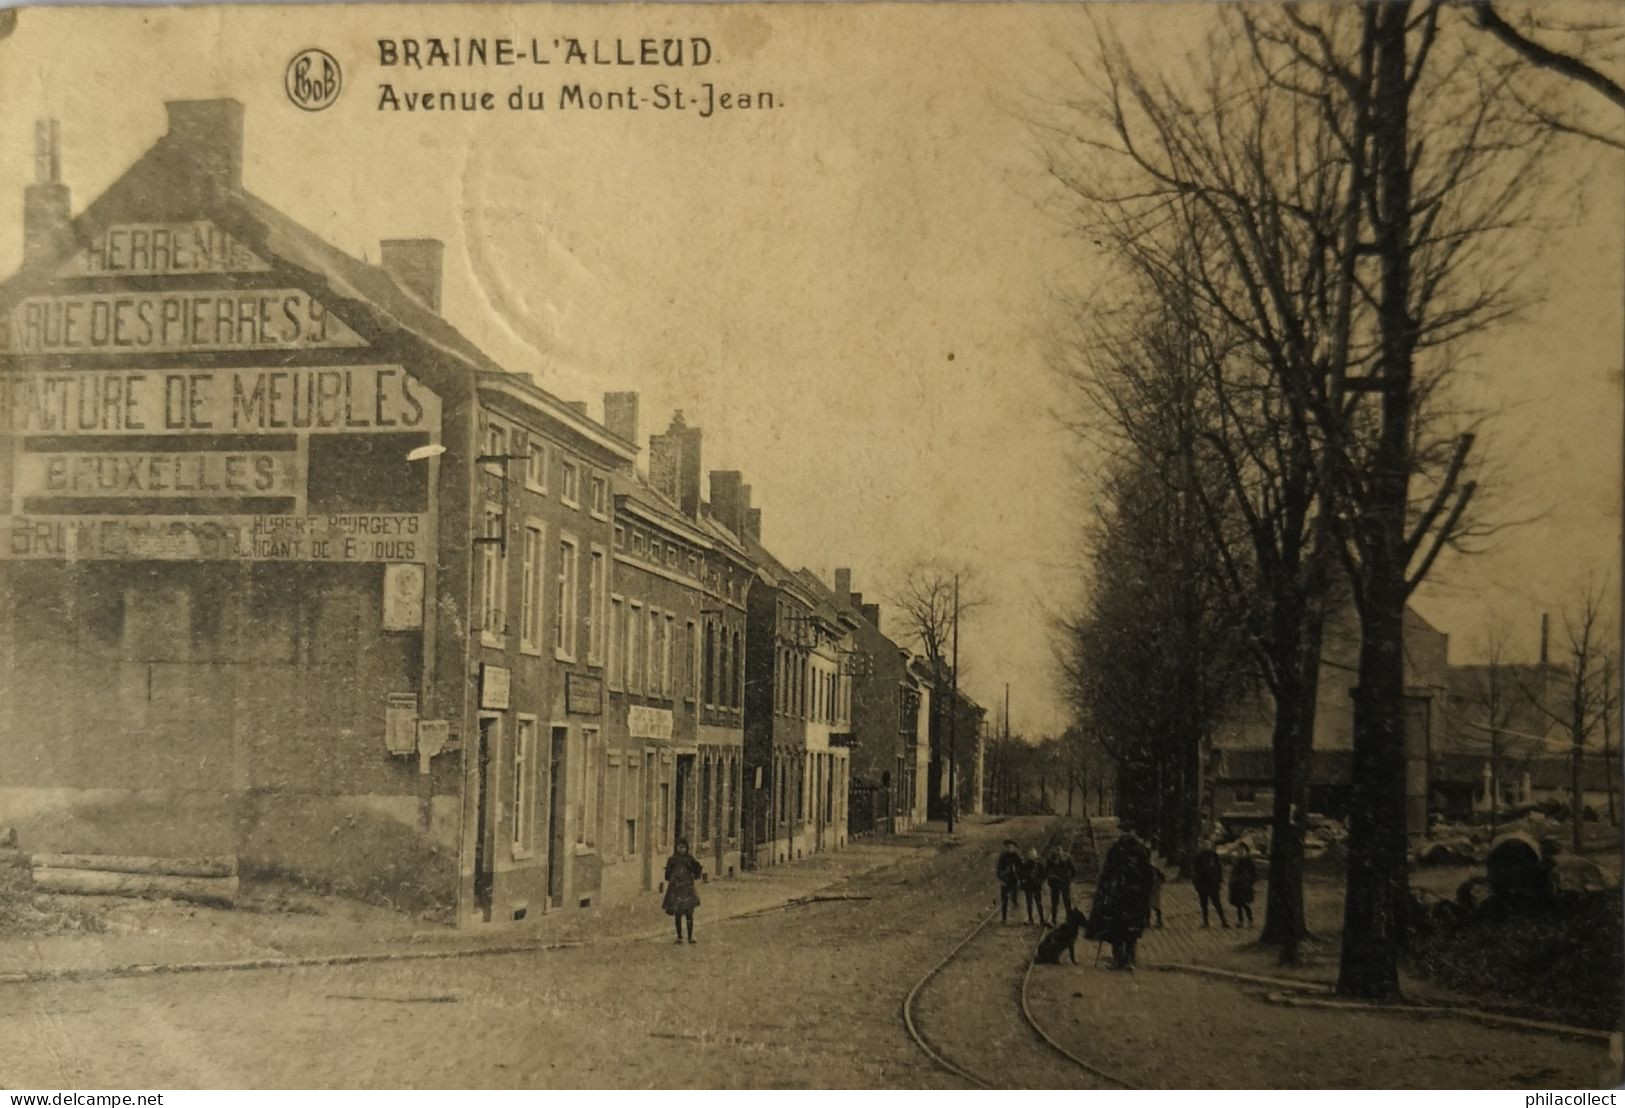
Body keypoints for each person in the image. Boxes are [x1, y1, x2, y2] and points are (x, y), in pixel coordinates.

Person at [1086, 830, 1154, 970]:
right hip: (1134, 899)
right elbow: (1148, 878)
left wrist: (1104, 898)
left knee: (1117, 930)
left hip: (1119, 899)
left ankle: (1122, 960)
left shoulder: (1116, 852)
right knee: (1131, 931)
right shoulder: (1141, 853)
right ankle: (1129, 959)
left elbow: (1107, 877)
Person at [663, 837, 705, 943]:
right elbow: (667, 875)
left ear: (687, 848)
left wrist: (695, 875)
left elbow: (697, 868)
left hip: (687, 889)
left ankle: (690, 936)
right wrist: (672, 878)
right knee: (678, 913)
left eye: (684, 847)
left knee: (689, 913)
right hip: (677, 890)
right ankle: (679, 936)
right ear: (676, 848)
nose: (682, 849)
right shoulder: (672, 859)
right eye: (680, 847)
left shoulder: (690, 858)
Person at [1193, 839, 1228, 928]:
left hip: (1213, 883)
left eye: (1208, 844)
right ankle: (1205, 921)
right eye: (1205, 844)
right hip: (1203, 883)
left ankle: (1223, 920)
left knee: (1216, 902)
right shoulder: (1199, 856)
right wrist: (1197, 884)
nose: (1206, 846)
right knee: (1204, 903)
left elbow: (1219, 869)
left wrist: (1218, 880)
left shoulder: (1214, 855)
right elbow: (1195, 870)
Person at [1045, 843, 1076, 925]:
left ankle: (1069, 919)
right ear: (1053, 851)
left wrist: (1069, 880)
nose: (1058, 852)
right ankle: (1053, 920)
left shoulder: (1066, 859)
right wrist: (1050, 877)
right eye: (1056, 850)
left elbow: (1074, 870)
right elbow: (1046, 871)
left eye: (1059, 850)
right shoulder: (1050, 860)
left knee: (1067, 901)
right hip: (1054, 884)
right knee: (1054, 903)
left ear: (1062, 851)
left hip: (1064, 884)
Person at [1228, 840, 1258, 927]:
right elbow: (1234, 871)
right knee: (1238, 904)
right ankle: (1240, 921)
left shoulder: (1248, 860)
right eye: (1239, 849)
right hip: (1236, 884)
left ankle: (1250, 920)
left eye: (1242, 849)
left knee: (1245, 903)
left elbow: (1253, 873)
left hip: (1245, 884)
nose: (1240, 851)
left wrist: (1250, 881)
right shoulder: (1237, 859)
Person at [996, 839, 1023, 923]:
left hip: (1014, 880)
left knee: (1014, 899)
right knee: (1004, 899)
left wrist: (1019, 878)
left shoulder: (1016, 856)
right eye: (1008, 847)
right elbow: (999, 869)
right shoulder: (1003, 856)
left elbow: (1021, 868)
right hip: (1005, 880)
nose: (1010, 848)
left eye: (1011, 847)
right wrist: (1001, 879)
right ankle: (1004, 918)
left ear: (1014, 847)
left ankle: (1016, 918)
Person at [1021, 847, 1048, 926]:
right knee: (1029, 903)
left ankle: (1042, 919)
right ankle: (1030, 919)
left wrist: (1040, 882)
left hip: (1036, 886)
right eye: (1030, 854)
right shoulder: (1025, 865)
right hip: (1028, 886)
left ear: (1035, 855)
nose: (1031, 856)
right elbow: (1021, 874)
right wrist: (1024, 880)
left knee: (1038, 903)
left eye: (1032, 854)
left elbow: (1044, 874)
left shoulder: (1039, 865)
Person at [1146, 863, 1166, 929]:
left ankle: (1158, 921)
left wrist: (1157, 885)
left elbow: (1162, 878)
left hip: (1153, 890)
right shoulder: (1151, 868)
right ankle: (1148, 922)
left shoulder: (1152, 868)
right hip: (1149, 890)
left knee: (1154, 906)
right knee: (1149, 907)